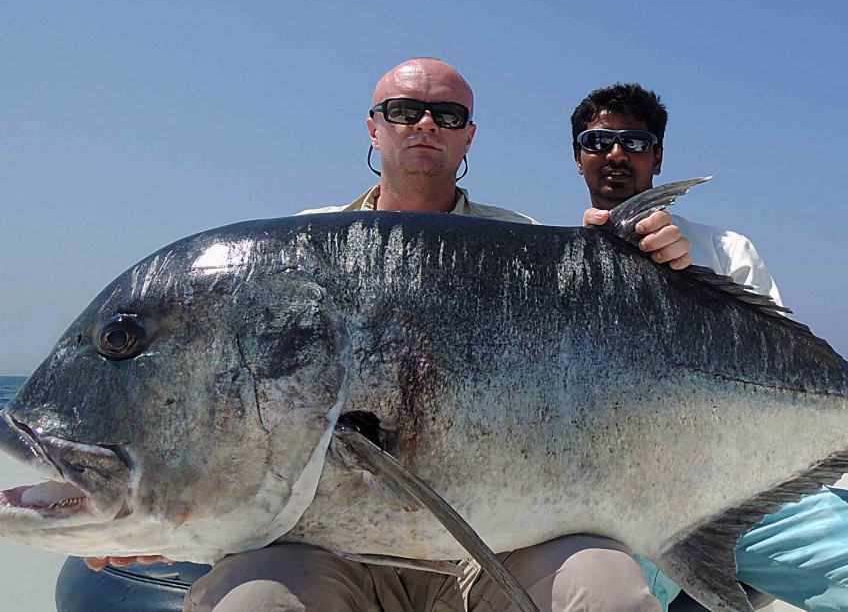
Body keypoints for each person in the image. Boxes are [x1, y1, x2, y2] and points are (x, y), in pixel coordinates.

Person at [85, 58, 690, 612]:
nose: (425, 124)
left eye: (447, 115)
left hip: (492, 550)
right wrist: (155, 513)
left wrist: (664, 272)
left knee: (607, 592)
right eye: (403, 112)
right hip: (333, 554)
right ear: (374, 128)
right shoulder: (295, 253)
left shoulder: (525, 248)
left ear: (468, 136)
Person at [571, 82, 848, 612]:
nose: (614, 154)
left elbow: (786, 379)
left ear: (658, 158)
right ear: (578, 157)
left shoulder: (725, 250)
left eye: (634, 141)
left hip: (747, 492)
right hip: (613, 509)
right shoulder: (547, 266)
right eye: (598, 140)